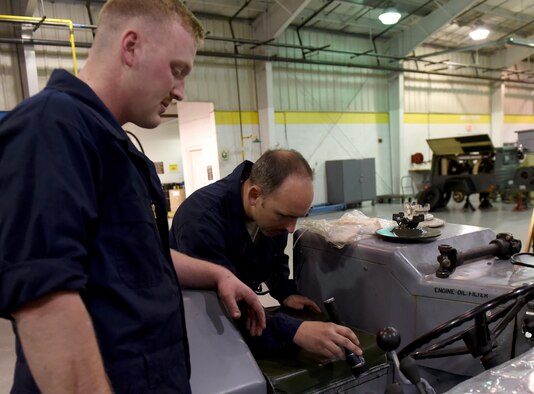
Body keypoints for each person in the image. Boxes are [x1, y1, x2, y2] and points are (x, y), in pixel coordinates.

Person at [0, 1, 265, 393]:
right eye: (177, 70)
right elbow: (47, 306)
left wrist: (218, 273)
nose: (180, 90)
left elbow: (141, 256)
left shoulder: (120, 149)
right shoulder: (53, 127)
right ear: (131, 46)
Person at [170, 149, 363, 360]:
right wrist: (295, 330)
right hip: (199, 327)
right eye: (285, 216)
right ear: (254, 195)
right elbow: (226, 306)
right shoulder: (201, 220)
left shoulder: (271, 215)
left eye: (298, 217)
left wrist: (284, 291)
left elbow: (275, 259)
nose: (291, 229)